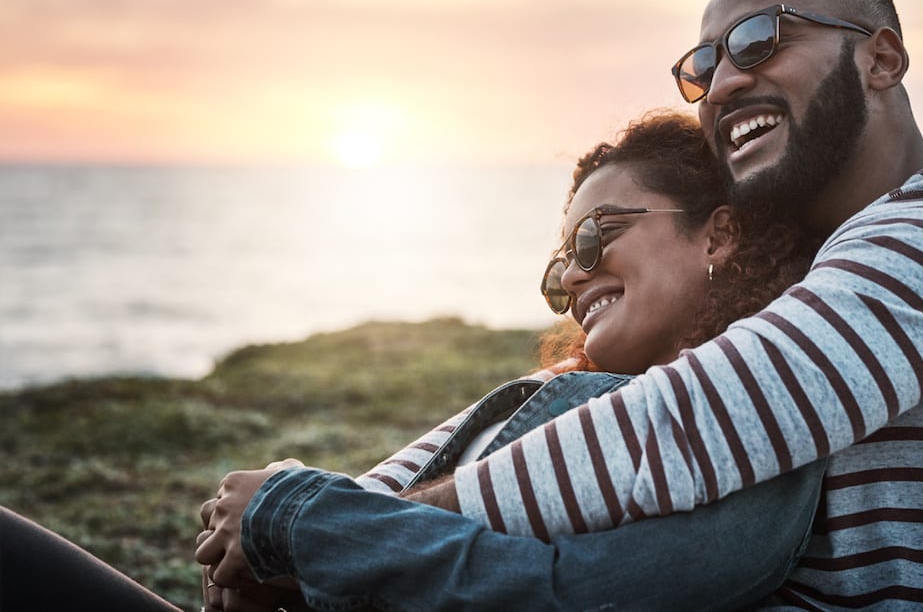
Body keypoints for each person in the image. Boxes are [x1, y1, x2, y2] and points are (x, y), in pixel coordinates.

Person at [199, 0, 923, 609]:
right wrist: (302, 523)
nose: (720, 84)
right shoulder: (814, 280)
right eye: (702, 66)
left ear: (882, 57)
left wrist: (317, 530)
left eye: (761, 38)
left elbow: (690, 425)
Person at [196, 111, 828, 611]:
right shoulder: (577, 396)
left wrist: (301, 521)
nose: (576, 277)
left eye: (595, 236)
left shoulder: (754, 420)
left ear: (717, 234)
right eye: (560, 268)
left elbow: (570, 595)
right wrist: (277, 566)